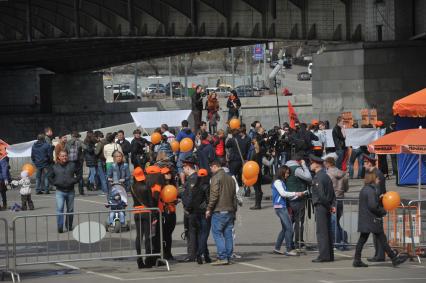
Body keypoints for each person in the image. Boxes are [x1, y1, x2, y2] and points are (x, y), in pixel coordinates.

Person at [353, 171, 408, 268]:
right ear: (373, 178)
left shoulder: (365, 189)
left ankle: (357, 260)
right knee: (382, 239)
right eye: (377, 178)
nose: (379, 180)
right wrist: (383, 211)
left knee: (363, 239)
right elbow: (373, 206)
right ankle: (394, 259)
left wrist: (378, 198)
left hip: (366, 219)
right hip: (372, 220)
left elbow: (370, 203)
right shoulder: (371, 190)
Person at [206, 159, 237, 265]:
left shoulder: (215, 178)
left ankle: (222, 256)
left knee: (217, 233)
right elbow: (234, 197)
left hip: (219, 210)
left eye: (211, 167)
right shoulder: (231, 178)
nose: (210, 169)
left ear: (215, 166)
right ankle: (228, 256)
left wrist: (209, 208)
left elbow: (214, 195)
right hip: (230, 210)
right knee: (228, 234)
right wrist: (234, 211)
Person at [272, 165, 304, 256]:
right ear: (282, 172)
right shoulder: (278, 182)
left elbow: (285, 195)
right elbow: (283, 193)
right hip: (280, 207)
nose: (287, 175)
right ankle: (289, 249)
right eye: (286, 173)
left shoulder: (281, 182)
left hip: (281, 206)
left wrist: (297, 195)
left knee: (285, 228)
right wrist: (296, 193)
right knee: (289, 228)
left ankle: (277, 248)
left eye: (288, 173)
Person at [309, 154, 336, 262]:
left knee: (322, 232)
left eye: (311, 163)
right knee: (327, 231)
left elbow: (321, 195)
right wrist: (332, 205)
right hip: (326, 206)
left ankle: (324, 256)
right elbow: (332, 193)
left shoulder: (318, 177)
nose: (310, 165)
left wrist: (329, 206)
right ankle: (329, 255)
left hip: (321, 206)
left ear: (316, 165)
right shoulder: (326, 176)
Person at [49, 150, 81, 233]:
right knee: (60, 209)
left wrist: (75, 180)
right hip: (60, 191)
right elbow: (49, 176)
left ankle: (69, 225)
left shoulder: (72, 165)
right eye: (62, 156)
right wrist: (55, 183)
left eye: (66, 156)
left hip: (70, 191)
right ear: (58, 157)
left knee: (70, 210)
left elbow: (79, 173)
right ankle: (60, 226)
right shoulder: (54, 166)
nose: (64, 157)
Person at [285, 153, 312, 248]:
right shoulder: (296, 169)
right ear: (299, 161)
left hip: (288, 199)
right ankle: (298, 242)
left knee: (290, 222)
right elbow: (308, 177)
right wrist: (304, 165)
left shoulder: (285, 166)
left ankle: (289, 243)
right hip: (298, 198)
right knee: (299, 222)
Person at [131, 167, 155, 269]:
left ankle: (139, 259)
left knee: (139, 236)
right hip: (147, 212)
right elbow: (150, 201)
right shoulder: (146, 186)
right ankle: (148, 259)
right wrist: (154, 214)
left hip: (137, 212)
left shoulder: (132, 187)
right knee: (148, 237)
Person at [363, 154, 386, 262]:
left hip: (377, 206)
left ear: (369, 163)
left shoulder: (377, 174)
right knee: (376, 232)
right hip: (374, 206)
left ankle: (380, 255)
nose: (363, 166)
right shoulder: (371, 173)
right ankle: (378, 254)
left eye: (364, 163)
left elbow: (378, 192)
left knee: (378, 233)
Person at [181, 157, 204, 263]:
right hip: (193, 210)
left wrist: (187, 208)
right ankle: (194, 253)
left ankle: (192, 255)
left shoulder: (193, 179)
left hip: (192, 211)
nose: (183, 170)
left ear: (188, 167)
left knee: (192, 233)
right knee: (191, 232)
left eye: (184, 168)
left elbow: (191, 196)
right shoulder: (192, 178)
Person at [324, 157, 348, 250]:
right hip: (341, 198)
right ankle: (344, 240)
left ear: (329, 164)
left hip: (333, 199)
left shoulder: (328, 174)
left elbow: (326, 188)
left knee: (333, 222)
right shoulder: (343, 173)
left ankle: (337, 243)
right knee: (337, 221)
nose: (324, 165)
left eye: (325, 163)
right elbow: (346, 188)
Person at [160, 167, 177, 260]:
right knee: (164, 234)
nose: (169, 174)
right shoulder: (160, 186)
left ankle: (169, 252)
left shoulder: (173, 185)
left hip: (172, 211)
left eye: (170, 172)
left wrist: (175, 201)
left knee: (169, 234)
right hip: (163, 212)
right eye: (166, 173)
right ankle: (164, 252)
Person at [65, 131, 85, 195]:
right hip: (78, 161)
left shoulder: (68, 142)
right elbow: (86, 148)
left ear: (71, 136)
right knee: (80, 176)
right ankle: (81, 191)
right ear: (77, 136)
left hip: (70, 162)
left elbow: (65, 151)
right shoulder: (80, 142)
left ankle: (71, 191)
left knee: (71, 176)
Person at [176, 120, 195, 185]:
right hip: (190, 152)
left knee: (181, 167)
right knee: (190, 166)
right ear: (187, 125)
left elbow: (177, 144)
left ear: (182, 125)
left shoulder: (180, 133)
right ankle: (191, 182)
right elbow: (193, 144)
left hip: (182, 153)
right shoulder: (192, 134)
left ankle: (183, 183)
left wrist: (176, 154)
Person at [250, 135, 266, 210]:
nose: (252, 140)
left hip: (255, 171)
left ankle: (257, 204)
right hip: (258, 170)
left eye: (254, 140)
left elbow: (252, 161)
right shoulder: (260, 150)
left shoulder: (256, 151)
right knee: (258, 188)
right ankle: (258, 203)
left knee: (257, 188)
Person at [95, 131, 108, 196]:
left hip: (100, 160)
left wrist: (95, 147)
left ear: (98, 137)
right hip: (106, 160)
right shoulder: (107, 141)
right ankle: (108, 189)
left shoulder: (100, 143)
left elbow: (96, 152)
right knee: (106, 175)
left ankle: (105, 191)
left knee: (102, 176)